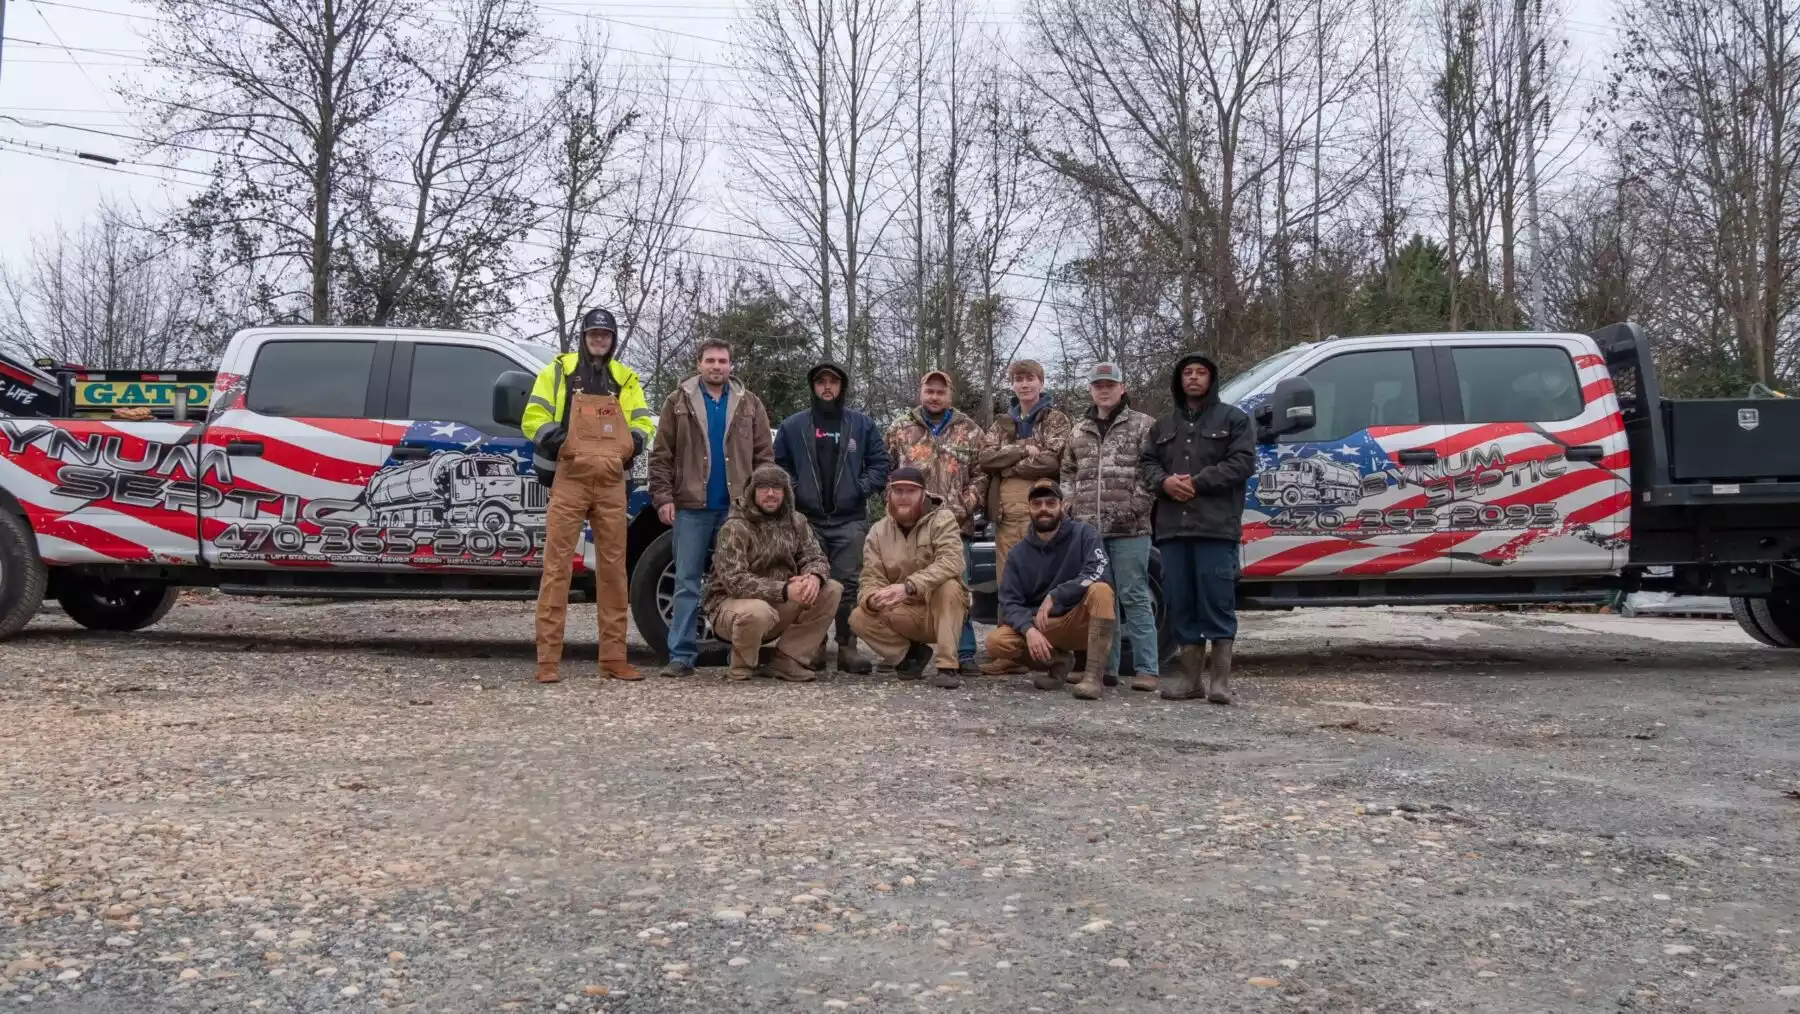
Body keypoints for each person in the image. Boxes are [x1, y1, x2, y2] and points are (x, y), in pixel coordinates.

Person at [522, 307, 656, 684]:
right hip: (570, 476)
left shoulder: (625, 377)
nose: (600, 339)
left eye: (606, 334)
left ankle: (614, 659)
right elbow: (533, 415)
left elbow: (643, 419)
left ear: (613, 340)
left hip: (613, 479)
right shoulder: (559, 370)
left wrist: (639, 438)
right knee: (557, 568)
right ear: (583, 336)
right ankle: (547, 661)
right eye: (594, 333)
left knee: (614, 570)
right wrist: (553, 436)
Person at [648, 339, 774, 678]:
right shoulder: (678, 402)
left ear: (731, 365)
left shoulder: (749, 404)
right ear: (699, 364)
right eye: (710, 360)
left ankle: (741, 656)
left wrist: (759, 502)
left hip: (737, 511)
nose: (717, 366)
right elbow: (661, 455)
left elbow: (764, 457)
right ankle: (681, 656)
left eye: (723, 361)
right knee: (687, 582)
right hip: (691, 507)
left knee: (738, 582)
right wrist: (663, 498)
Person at [1140, 352, 1256, 704]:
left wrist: (1198, 482)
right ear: (1178, 380)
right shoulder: (1162, 426)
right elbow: (1146, 463)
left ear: (1212, 379)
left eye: (1200, 372)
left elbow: (1242, 461)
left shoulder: (1234, 420)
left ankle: (1219, 683)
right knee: (1180, 602)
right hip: (1173, 530)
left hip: (1215, 527)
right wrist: (1163, 483)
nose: (1193, 378)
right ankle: (1191, 681)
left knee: (1217, 601)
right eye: (1187, 372)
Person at [774, 362, 890, 674]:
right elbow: (777, 466)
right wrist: (795, 491)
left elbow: (880, 463)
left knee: (848, 583)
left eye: (833, 382)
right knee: (810, 584)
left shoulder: (861, 425)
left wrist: (860, 487)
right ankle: (813, 647)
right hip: (806, 520)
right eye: (821, 382)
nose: (827, 387)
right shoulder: (793, 426)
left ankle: (847, 648)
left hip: (849, 519)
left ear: (842, 387)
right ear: (813, 386)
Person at [1060, 362, 1161, 692]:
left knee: (1134, 596)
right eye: (1098, 385)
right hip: (1091, 532)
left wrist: (1137, 506)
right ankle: (1107, 669)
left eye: (1110, 384)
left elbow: (1152, 472)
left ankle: (1147, 669)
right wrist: (1070, 505)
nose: (1104, 390)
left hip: (1131, 530)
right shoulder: (1077, 431)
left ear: (1122, 388)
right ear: (1090, 389)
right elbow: (1066, 473)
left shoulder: (1144, 426)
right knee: (1104, 600)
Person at [884, 369, 987, 676]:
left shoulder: (969, 430)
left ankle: (963, 651)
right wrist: (897, 510)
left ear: (949, 395)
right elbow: (885, 473)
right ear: (921, 392)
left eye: (941, 392)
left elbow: (983, 475)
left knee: (957, 587)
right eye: (930, 391)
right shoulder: (900, 429)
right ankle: (909, 651)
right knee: (908, 587)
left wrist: (964, 506)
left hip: (956, 524)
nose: (935, 396)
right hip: (910, 527)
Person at [703, 465, 843, 682]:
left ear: (786, 492)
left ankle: (788, 660)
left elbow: (816, 557)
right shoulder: (735, 527)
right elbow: (734, 581)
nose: (771, 493)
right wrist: (785, 590)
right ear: (752, 491)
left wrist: (813, 577)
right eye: (764, 487)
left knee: (831, 588)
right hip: (731, 606)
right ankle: (741, 668)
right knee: (757, 611)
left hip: (778, 604)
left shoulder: (797, 521)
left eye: (777, 487)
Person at [976, 359, 1071, 676]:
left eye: (1030, 378)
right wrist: (1023, 450)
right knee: (1009, 583)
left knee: (1045, 581)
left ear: (1041, 382)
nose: (1024, 384)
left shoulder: (1056, 420)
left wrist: (1009, 465)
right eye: (1018, 379)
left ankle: (1050, 648)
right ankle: (1009, 652)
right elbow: (986, 457)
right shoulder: (1003, 421)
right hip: (1006, 516)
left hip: (1042, 515)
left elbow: (1053, 460)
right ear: (1013, 385)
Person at [985, 481, 1116, 701]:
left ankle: (1093, 677)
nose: (1043, 508)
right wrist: (1029, 630)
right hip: (1044, 626)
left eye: (1050, 502)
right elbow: (1009, 601)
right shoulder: (1018, 553)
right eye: (1037, 503)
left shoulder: (1085, 534)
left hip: (1078, 621)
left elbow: (1099, 571)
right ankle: (1058, 662)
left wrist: (1057, 594)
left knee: (1102, 590)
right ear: (1029, 508)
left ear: (1062, 506)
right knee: (996, 642)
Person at [848, 467, 968, 689]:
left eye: (911, 491)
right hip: (904, 612)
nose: (903, 497)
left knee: (949, 586)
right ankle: (910, 657)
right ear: (889, 494)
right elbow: (870, 577)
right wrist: (871, 599)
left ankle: (947, 666)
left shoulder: (943, 519)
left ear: (923, 494)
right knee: (858, 616)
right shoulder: (877, 531)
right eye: (898, 491)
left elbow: (952, 561)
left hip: (940, 611)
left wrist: (909, 586)